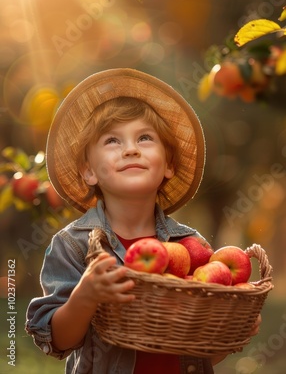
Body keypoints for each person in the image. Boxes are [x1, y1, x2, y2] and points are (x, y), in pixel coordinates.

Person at [25, 68, 261, 374]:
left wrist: (229, 335)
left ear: (168, 165)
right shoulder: (75, 245)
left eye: (145, 138)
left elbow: (194, 352)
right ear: (89, 171)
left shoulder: (191, 248)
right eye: (112, 140)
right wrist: (86, 295)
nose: (131, 149)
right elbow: (57, 341)